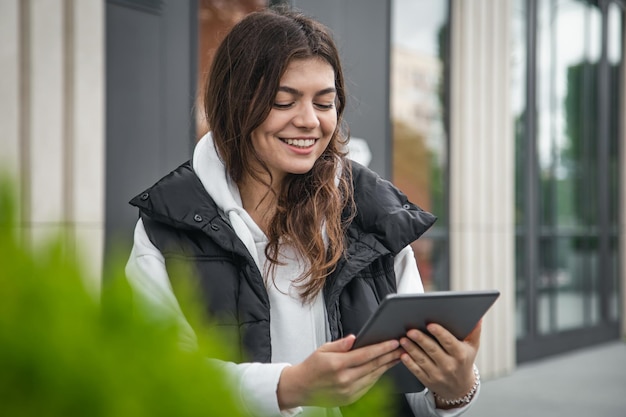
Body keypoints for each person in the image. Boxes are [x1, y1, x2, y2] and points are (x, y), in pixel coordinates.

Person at [125, 6, 481, 417]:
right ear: (234, 103)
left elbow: (409, 393)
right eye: (283, 101)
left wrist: (453, 388)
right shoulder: (168, 227)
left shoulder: (374, 215)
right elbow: (156, 380)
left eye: (325, 103)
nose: (310, 121)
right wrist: (288, 387)